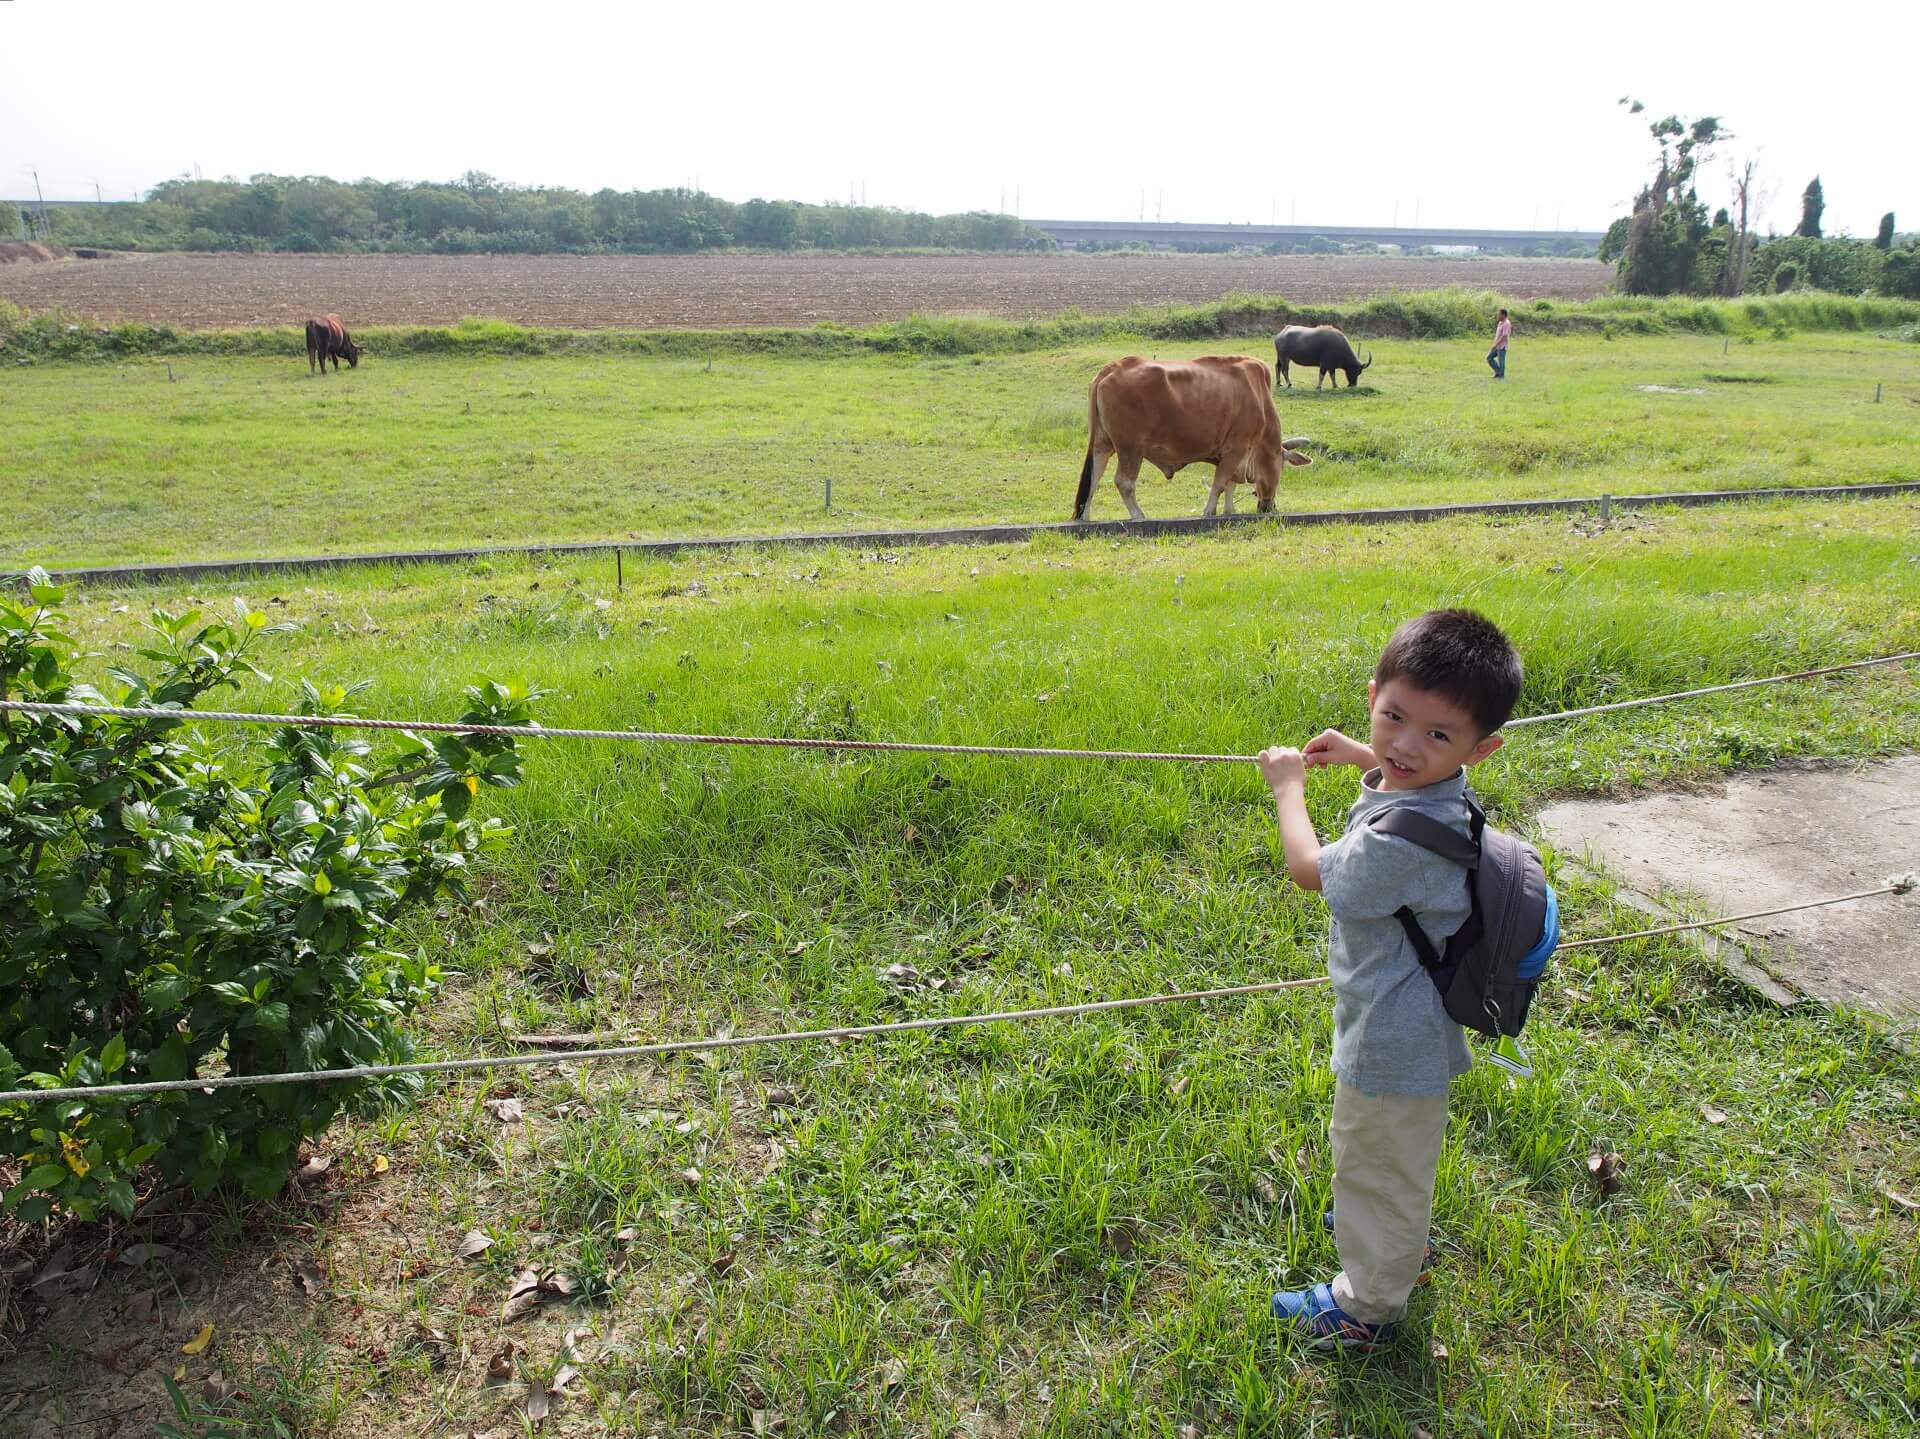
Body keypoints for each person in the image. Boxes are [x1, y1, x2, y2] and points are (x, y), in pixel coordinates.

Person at [1255, 609, 1524, 1350]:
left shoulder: (1395, 849)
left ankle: (1368, 1304)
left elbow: (1312, 872)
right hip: (1416, 1017)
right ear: (1373, 695)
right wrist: (1356, 755)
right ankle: (1397, 1236)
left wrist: (1288, 788)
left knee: (1374, 1153)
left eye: (1437, 734)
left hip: (1391, 1032)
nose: (1405, 744)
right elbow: (1402, 780)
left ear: (1483, 746)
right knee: (1394, 1154)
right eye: (1392, 716)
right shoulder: (1444, 792)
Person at [1487, 307, 1511, 379]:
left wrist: (1496, 344)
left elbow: (1504, 336)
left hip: (1502, 346)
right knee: (1489, 358)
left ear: (1503, 315)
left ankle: (1501, 376)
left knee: (1501, 362)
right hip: (1497, 345)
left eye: (1499, 314)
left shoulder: (1507, 323)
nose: (1498, 316)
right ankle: (1498, 372)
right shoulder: (1500, 322)